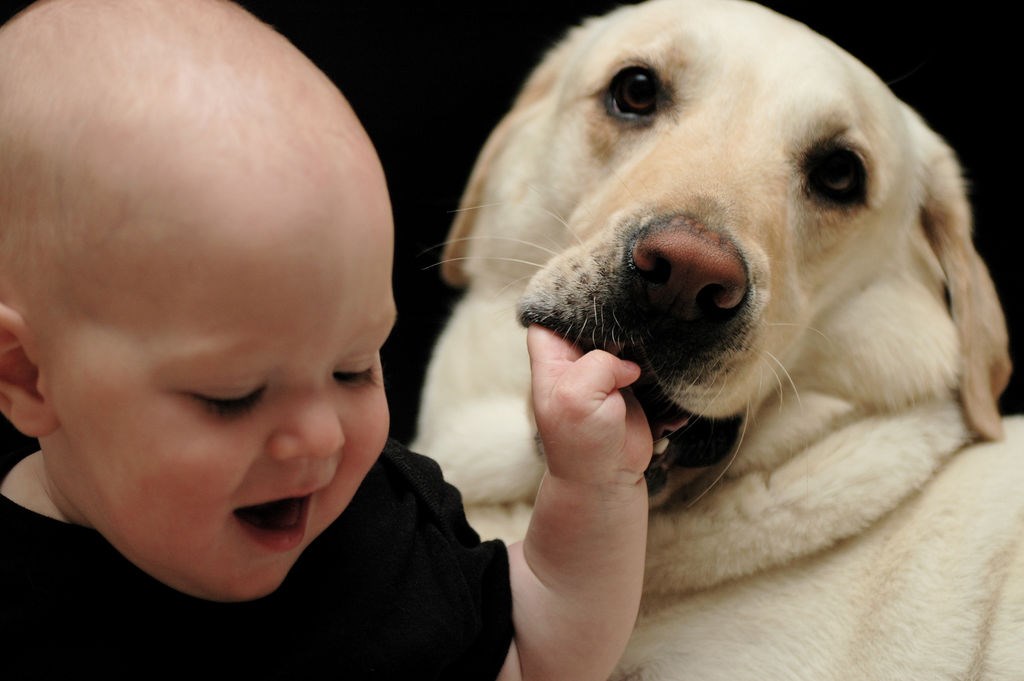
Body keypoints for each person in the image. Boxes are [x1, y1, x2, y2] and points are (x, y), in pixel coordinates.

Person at [0, 1, 654, 678]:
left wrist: (594, 486)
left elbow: (539, 647)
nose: (322, 438)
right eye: (236, 394)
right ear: (26, 375)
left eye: (353, 370)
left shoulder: (384, 535)